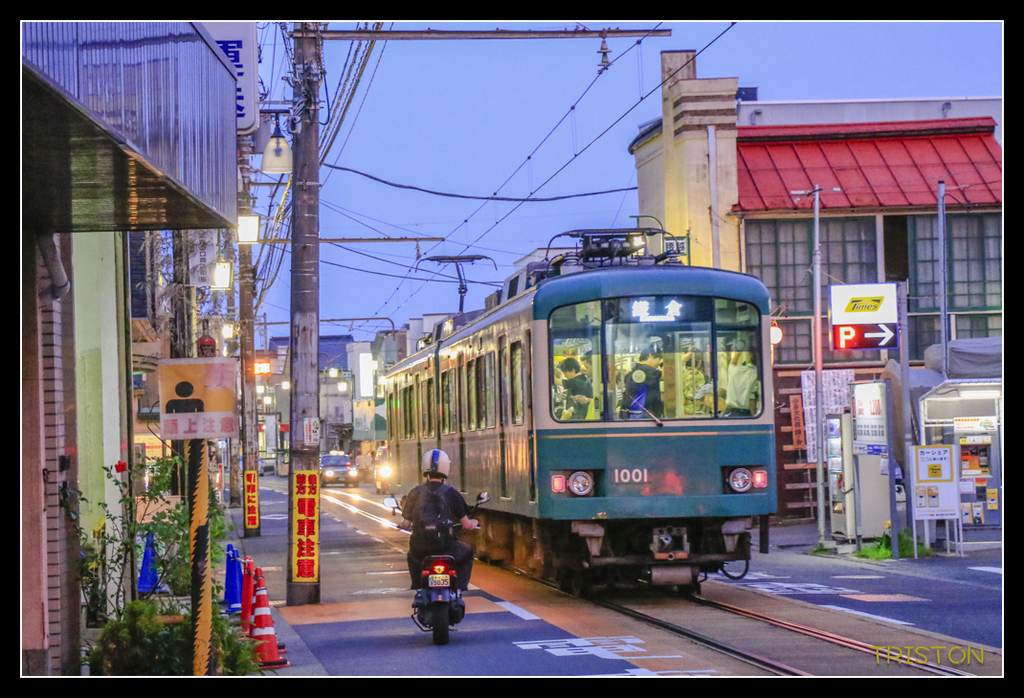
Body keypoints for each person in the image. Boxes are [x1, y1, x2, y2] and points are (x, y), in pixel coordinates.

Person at [400, 449, 479, 591]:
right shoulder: (452, 493)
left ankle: (417, 586)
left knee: (412, 557)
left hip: (420, 548)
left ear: (425, 469)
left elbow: (406, 523)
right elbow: (466, 524)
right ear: (446, 469)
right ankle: (461, 587)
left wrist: (401, 524)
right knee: (467, 553)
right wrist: (474, 523)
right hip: (446, 548)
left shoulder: (415, 492)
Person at [620, 351, 664, 419]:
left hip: (635, 414)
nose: (659, 363)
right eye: (659, 359)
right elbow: (666, 375)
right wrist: (669, 362)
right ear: (650, 355)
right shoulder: (645, 369)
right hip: (643, 415)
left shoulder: (636, 370)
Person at [724, 350, 760, 417]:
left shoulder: (734, 370)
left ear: (750, 356)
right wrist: (754, 417)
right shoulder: (755, 376)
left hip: (729, 413)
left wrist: (739, 352)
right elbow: (751, 399)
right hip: (744, 413)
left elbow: (732, 363)